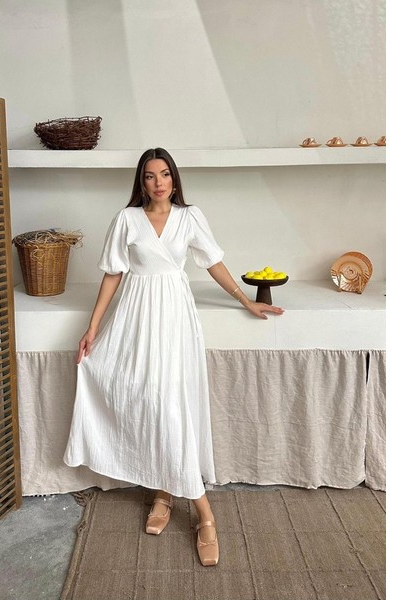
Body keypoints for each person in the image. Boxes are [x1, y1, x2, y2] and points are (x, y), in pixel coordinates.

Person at [63, 147, 284, 566]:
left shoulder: (189, 217)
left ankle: (202, 514)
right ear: (141, 182)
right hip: (136, 317)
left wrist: (245, 300)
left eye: (164, 174)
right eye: (150, 176)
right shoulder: (127, 219)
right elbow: (113, 274)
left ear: (174, 178)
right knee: (149, 401)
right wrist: (93, 327)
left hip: (175, 318)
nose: (158, 182)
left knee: (171, 405)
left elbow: (213, 263)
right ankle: (165, 492)